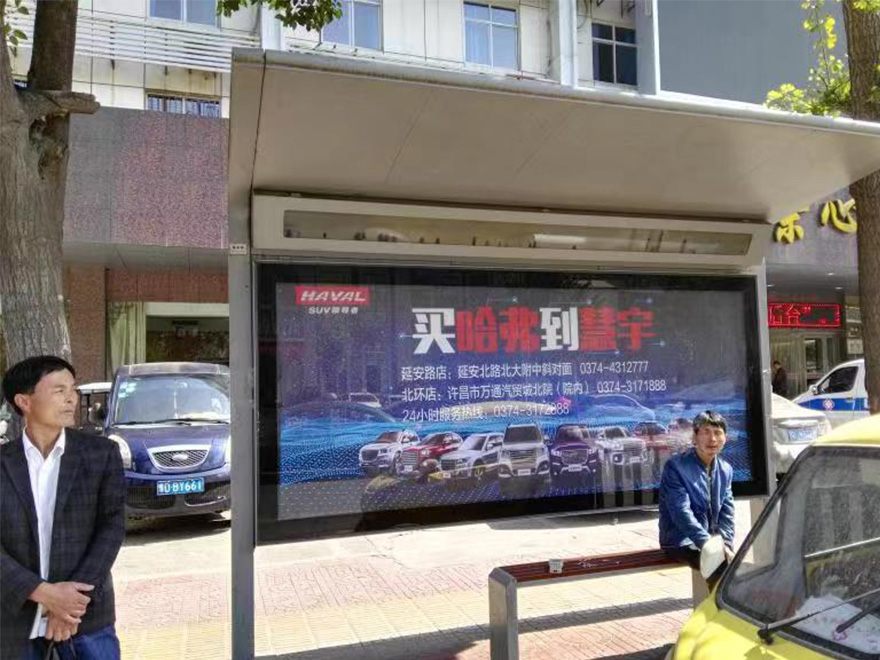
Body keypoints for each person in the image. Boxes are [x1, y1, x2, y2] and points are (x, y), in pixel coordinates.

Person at [1, 356, 126, 660]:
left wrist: (70, 604)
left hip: (86, 617)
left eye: (73, 389)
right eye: (59, 390)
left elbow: (111, 528)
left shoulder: (101, 454)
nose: (72, 398)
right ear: (24, 401)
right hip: (13, 620)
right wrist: (44, 594)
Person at [658, 410, 735, 587]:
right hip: (682, 540)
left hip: (712, 540)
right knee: (719, 565)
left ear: (725, 438)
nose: (712, 439)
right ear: (694, 438)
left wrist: (726, 544)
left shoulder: (726, 469)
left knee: (735, 565)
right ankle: (719, 605)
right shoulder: (675, 467)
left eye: (717, 433)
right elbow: (681, 513)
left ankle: (721, 603)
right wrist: (709, 544)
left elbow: (727, 513)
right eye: (706, 432)